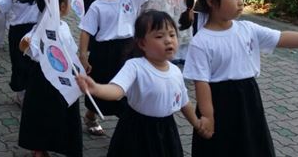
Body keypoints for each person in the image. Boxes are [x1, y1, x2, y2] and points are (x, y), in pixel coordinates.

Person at [182, 0, 298, 156]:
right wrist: (208, 117)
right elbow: (201, 83)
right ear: (211, 1)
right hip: (218, 103)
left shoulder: (247, 29)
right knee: (220, 149)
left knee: (252, 146)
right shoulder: (202, 41)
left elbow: (282, 38)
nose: (240, 1)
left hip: (248, 99)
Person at [76, 10, 205, 157]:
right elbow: (117, 90)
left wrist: (197, 124)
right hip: (136, 130)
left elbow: (184, 103)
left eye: (172, 34)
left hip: (166, 131)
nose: (168, 40)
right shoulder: (135, 66)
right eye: (159, 36)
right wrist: (96, 88)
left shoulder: (175, 71)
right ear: (142, 43)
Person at [78, 0, 182, 136]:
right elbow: (86, 31)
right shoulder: (97, 6)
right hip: (104, 52)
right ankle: (91, 114)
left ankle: (128, 122)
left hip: (129, 48)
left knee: (128, 88)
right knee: (102, 84)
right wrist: (83, 56)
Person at [18, 0, 83, 157]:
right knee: (47, 114)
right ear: (62, 6)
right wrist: (24, 44)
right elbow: (26, 45)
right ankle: (41, 149)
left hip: (50, 78)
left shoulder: (61, 26)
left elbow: (70, 53)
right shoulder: (43, 28)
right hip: (50, 80)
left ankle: (42, 147)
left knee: (42, 115)